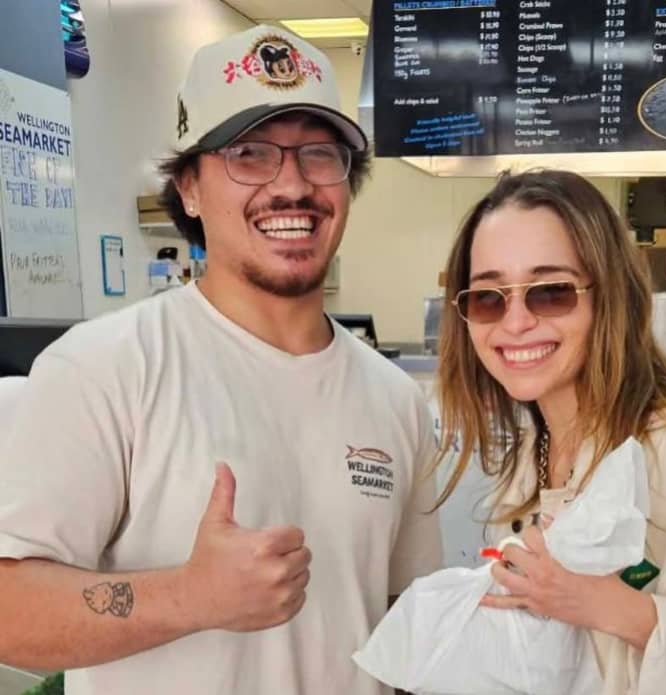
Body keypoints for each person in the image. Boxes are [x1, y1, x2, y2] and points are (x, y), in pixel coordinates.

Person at [0, 25, 441, 695]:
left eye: (320, 154)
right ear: (189, 188)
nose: (292, 184)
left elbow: (410, 623)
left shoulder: (397, 399)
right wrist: (190, 597)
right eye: (250, 154)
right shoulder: (105, 368)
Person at [434, 169, 666, 694]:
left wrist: (613, 608)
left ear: (610, 297)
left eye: (551, 292)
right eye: (489, 298)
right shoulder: (532, 453)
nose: (514, 323)